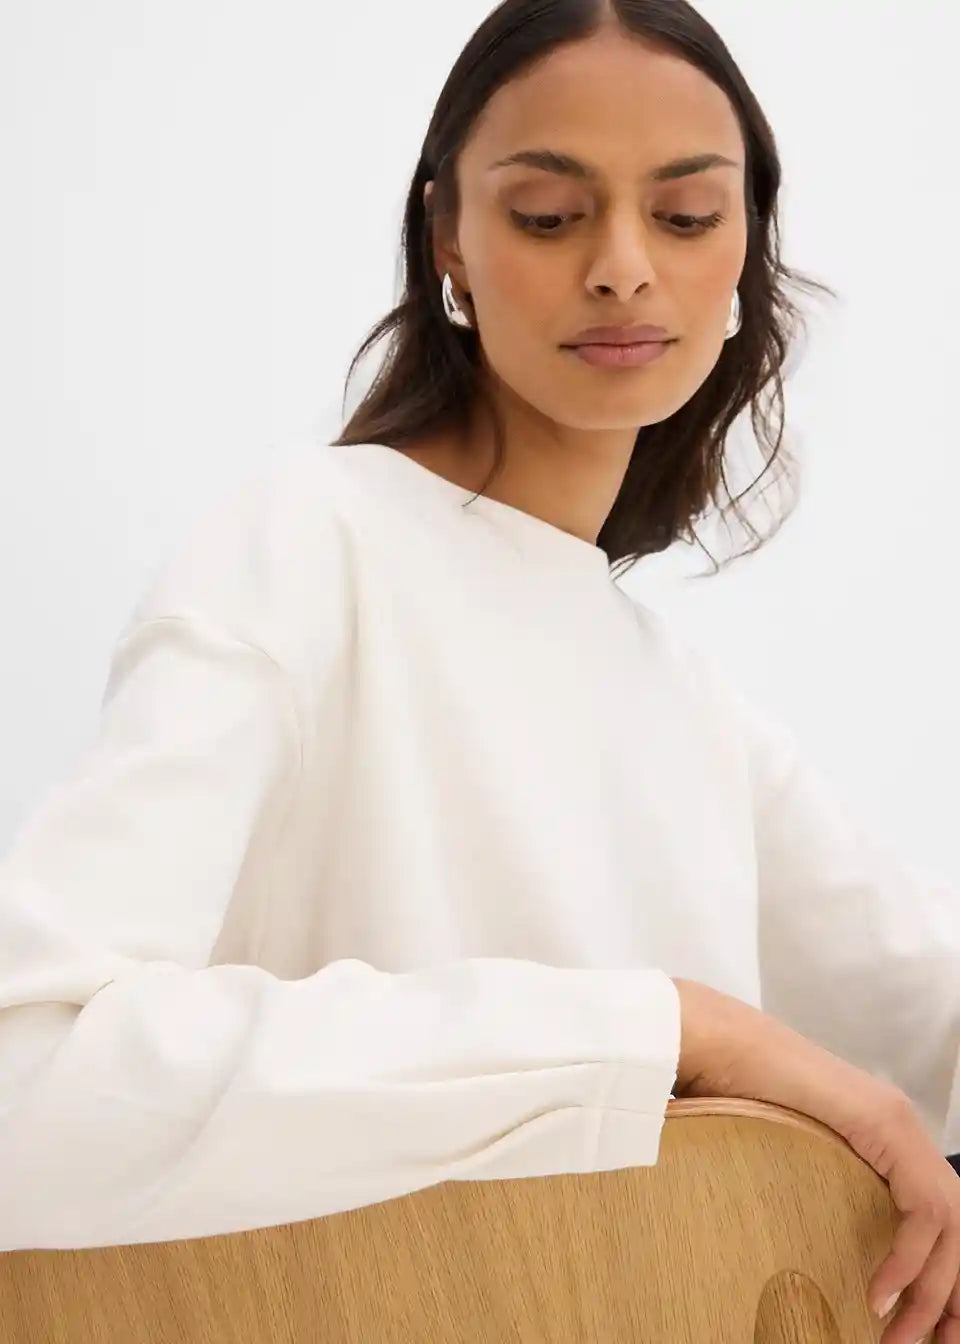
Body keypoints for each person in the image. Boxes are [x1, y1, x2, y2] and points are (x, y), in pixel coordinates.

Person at [1, 0, 959, 1337]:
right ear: (448, 235)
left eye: (686, 216)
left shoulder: (682, 702)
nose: (624, 268)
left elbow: (930, 1019)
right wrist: (673, 1033)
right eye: (551, 215)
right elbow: (28, 1082)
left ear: (747, 244)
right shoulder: (308, 547)